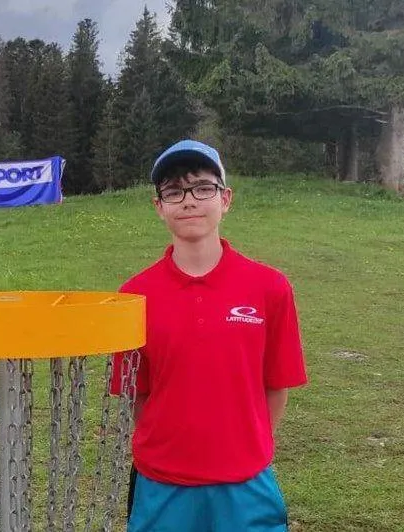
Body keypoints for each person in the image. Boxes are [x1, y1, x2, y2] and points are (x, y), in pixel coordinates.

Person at [111, 140, 308, 531]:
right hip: (163, 484)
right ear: (159, 207)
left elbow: (276, 385)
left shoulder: (270, 287)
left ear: (225, 199)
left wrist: (243, 449)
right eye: (174, 191)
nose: (189, 201)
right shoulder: (133, 296)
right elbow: (138, 394)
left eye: (202, 188)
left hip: (245, 484)